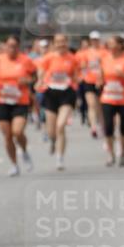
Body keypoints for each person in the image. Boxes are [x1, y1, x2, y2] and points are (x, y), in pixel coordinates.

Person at [0, 35, 36, 176]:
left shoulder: (26, 60)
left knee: (17, 132)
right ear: (5, 46)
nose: (12, 49)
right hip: (3, 101)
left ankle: (24, 151)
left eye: (15, 46)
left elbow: (35, 77)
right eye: (9, 46)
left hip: (20, 101)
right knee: (8, 136)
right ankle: (14, 164)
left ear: (18, 47)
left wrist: (28, 80)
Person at [36, 33, 79, 171]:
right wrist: (40, 81)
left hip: (66, 93)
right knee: (51, 130)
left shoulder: (73, 58)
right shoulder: (48, 58)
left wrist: (74, 82)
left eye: (63, 41)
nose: (61, 44)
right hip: (51, 93)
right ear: (54, 44)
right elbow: (41, 73)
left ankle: (60, 158)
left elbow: (77, 75)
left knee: (61, 126)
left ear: (67, 42)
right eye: (58, 42)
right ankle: (53, 140)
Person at [98, 36, 124, 167]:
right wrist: (99, 81)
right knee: (108, 127)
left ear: (120, 45)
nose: (110, 46)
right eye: (108, 44)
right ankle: (110, 154)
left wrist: (123, 75)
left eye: (113, 44)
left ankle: (122, 152)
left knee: (123, 127)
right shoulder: (105, 59)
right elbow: (101, 76)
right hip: (108, 97)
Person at [77, 31, 104, 137]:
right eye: (93, 39)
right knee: (91, 104)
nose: (95, 41)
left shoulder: (104, 52)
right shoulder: (86, 53)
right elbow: (82, 67)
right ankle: (93, 127)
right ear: (90, 41)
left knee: (100, 106)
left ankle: (102, 125)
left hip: (101, 82)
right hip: (89, 81)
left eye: (96, 39)